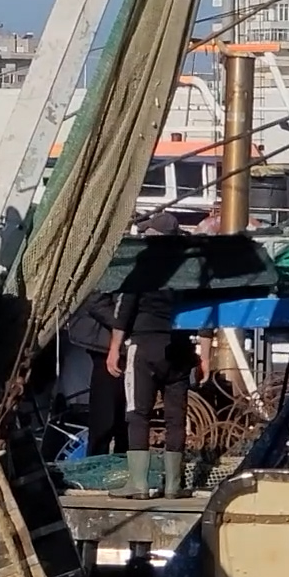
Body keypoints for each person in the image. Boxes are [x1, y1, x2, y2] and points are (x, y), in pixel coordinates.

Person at [107, 213, 195, 499]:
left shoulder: (142, 267)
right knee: (176, 417)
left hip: (144, 346)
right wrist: (203, 352)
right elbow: (205, 310)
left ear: (155, 237)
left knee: (138, 413)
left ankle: (139, 484)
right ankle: (173, 485)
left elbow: (124, 311)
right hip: (180, 348)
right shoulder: (188, 270)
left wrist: (113, 350)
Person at [66, 289, 126, 457]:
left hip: (127, 343)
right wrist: (125, 324)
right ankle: (97, 461)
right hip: (105, 343)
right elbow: (95, 300)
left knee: (127, 415)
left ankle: (124, 462)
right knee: (105, 414)